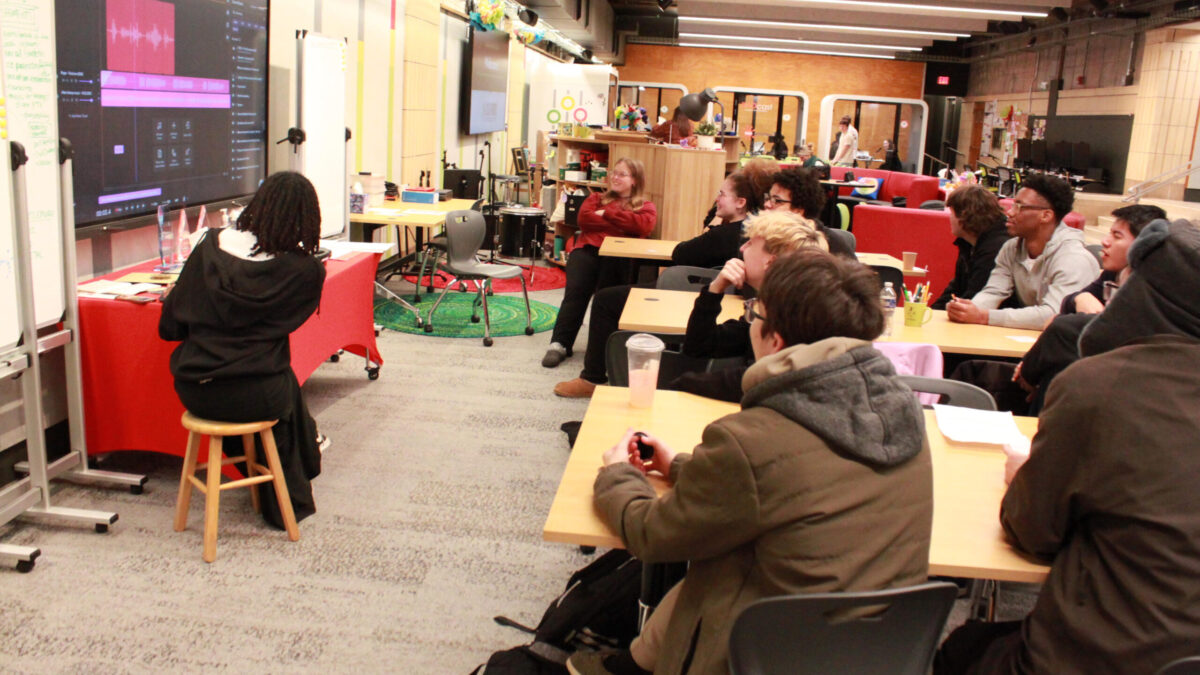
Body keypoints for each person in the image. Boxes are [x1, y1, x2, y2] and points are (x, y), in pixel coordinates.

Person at [568, 249, 933, 675]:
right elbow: (787, 487)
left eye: (754, 311)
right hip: (877, 650)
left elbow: (652, 535)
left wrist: (616, 475)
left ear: (774, 339)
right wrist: (683, 467)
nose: (749, 321)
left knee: (710, 569)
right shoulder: (903, 413)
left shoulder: (753, 437)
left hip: (767, 651)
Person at [935, 218, 1200, 675]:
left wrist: (1024, 475)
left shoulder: (1100, 387)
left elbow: (1033, 533)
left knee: (963, 648)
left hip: (1101, 655)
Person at [159, 171, 326, 529]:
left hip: (195, 388)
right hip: (256, 395)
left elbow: (170, 326)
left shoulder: (208, 247)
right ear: (306, 219)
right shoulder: (306, 271)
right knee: (282, 384)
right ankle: (290, 492)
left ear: (258, 205)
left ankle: (303, 454)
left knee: (280, 383)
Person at [551, 171, 762, 396]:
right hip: (701, 294)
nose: (716, 199)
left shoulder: (726, 234)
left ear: (741, 203)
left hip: (689, 296)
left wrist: (713, 225)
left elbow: (681, 253)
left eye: (722, 194)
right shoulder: (748, 232)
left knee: (605, 299)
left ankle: (592, 377)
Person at [1010, 203, 1167, 412]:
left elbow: (1061, 327)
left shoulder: (1154, 287)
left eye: (1117, 236)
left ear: (1143, 246)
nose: (1105, 241)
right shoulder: (1113, 273)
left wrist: (1030, 373)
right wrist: (1080, 298)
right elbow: (1064, 310)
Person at [673, 211, 828, 402]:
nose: (743, 248)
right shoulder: (775, 305)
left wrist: (683, 385)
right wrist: (715, 290)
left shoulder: (794, 321)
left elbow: (761, 382)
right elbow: (699, 345)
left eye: (751, 243)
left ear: (770, 262)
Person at [543, 158, 657, 368]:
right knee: (576, 292)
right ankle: (559, 344)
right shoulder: (596, 198)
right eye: (614, 173)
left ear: (635, 180)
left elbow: (643, 226)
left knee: (606, 299)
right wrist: (623, 222)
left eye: (622, 174)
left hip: (619, 257)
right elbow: (584, 220)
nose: (615, 177)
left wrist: (608, 214)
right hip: (587, 250)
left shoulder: (645, 206)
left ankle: (602, 348)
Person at [946, 173, 1097, 330]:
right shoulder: (1011, 248)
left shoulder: (1073, 259)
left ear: (1046, 215)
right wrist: (967, 310)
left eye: (1019, 206)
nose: (1009, 213)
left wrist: (984, 316)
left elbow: (1053, 314)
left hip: (1069, 345)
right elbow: (993, 292)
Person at [931, 185, 1011, 310]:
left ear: (963, 216)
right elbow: (955, 288)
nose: (949, 218)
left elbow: (972, 297)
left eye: (951, 213)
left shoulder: (995, 249)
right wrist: (932, 312)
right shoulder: (968, 242)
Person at [765, 167, 854, 257]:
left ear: (799, 210)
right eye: (768, 198)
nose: (767, 204)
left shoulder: (834, 248)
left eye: (777, 201)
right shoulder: (761, 236)